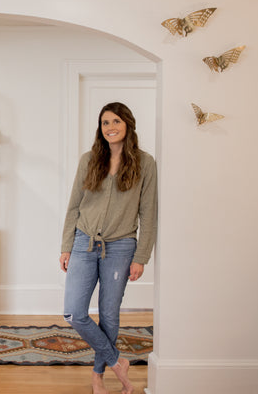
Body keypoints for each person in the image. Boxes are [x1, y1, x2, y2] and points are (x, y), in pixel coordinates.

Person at [60, 102, 157, 394]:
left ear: (128, 124)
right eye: (105, 122)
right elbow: (74, 205)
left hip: (121, 247)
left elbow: (148, 213)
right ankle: (117, 361)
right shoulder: (89, 160)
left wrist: (142, 257)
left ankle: (98, 376)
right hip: (83, 242)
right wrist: (66, 245)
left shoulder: (145, 163)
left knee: (109, 314)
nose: (110, 127)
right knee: (74, 313)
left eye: (115, 121)